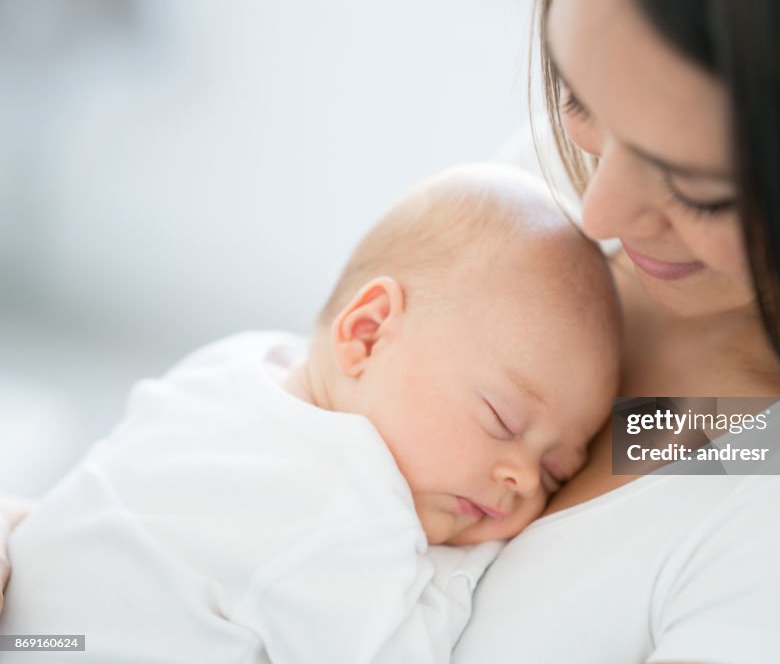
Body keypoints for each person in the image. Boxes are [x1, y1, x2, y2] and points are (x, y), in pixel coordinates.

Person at [2, 0, 780, 662]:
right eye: (578, 95)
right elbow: (293, 451)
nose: (602, 215)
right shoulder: (547, 199)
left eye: (698, 189)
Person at [0, 164, 622, 663]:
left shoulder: (239, 363)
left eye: (556, 472)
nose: (523, 479)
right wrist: (462, 568)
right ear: (370, 333)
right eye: (502, 422)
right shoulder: (348, 514)